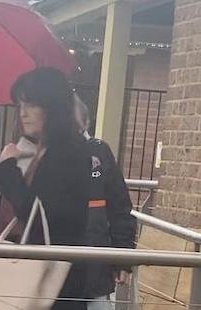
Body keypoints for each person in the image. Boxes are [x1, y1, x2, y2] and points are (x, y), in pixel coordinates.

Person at [0, 67, 92, 310]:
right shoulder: (49, 150)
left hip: (55, 281)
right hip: (46, 274)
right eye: (20, 105)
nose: (23, 113)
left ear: (53, 106)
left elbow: (37, 213)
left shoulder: (67, 152)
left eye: (32, 105)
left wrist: (7, 169)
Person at [74, 98, 137, 310]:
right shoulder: (45, 153)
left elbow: (120, 208)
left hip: (94, 271)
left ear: (84, 121)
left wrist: (122, 258)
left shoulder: (99, 152)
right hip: (54, 271)